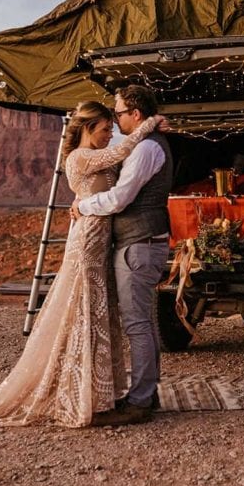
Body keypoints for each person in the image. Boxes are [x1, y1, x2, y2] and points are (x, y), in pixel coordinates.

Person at [0, 102, 164, 428]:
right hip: (87, 242)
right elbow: (123, 151)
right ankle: (84, 396)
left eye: (112, 128)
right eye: (104, 128)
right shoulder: (78, 157)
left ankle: (98, 393)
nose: (110, 134)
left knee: (97, 316)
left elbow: (118, 166)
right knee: (85, 314)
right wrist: (151, 122)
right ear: (88, 127)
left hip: (102, 240)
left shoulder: (93, 155)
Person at [72, 85, 173, 427]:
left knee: (137, 323)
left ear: (136, 114)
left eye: (117, 114)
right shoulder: (146, 144)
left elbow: (119, 199)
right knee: (138, 322)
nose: (114, 123)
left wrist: (82, 206)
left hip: (139, 243)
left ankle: (141, 401)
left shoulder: (146, 150)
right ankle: (146, 393)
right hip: (140, 242)